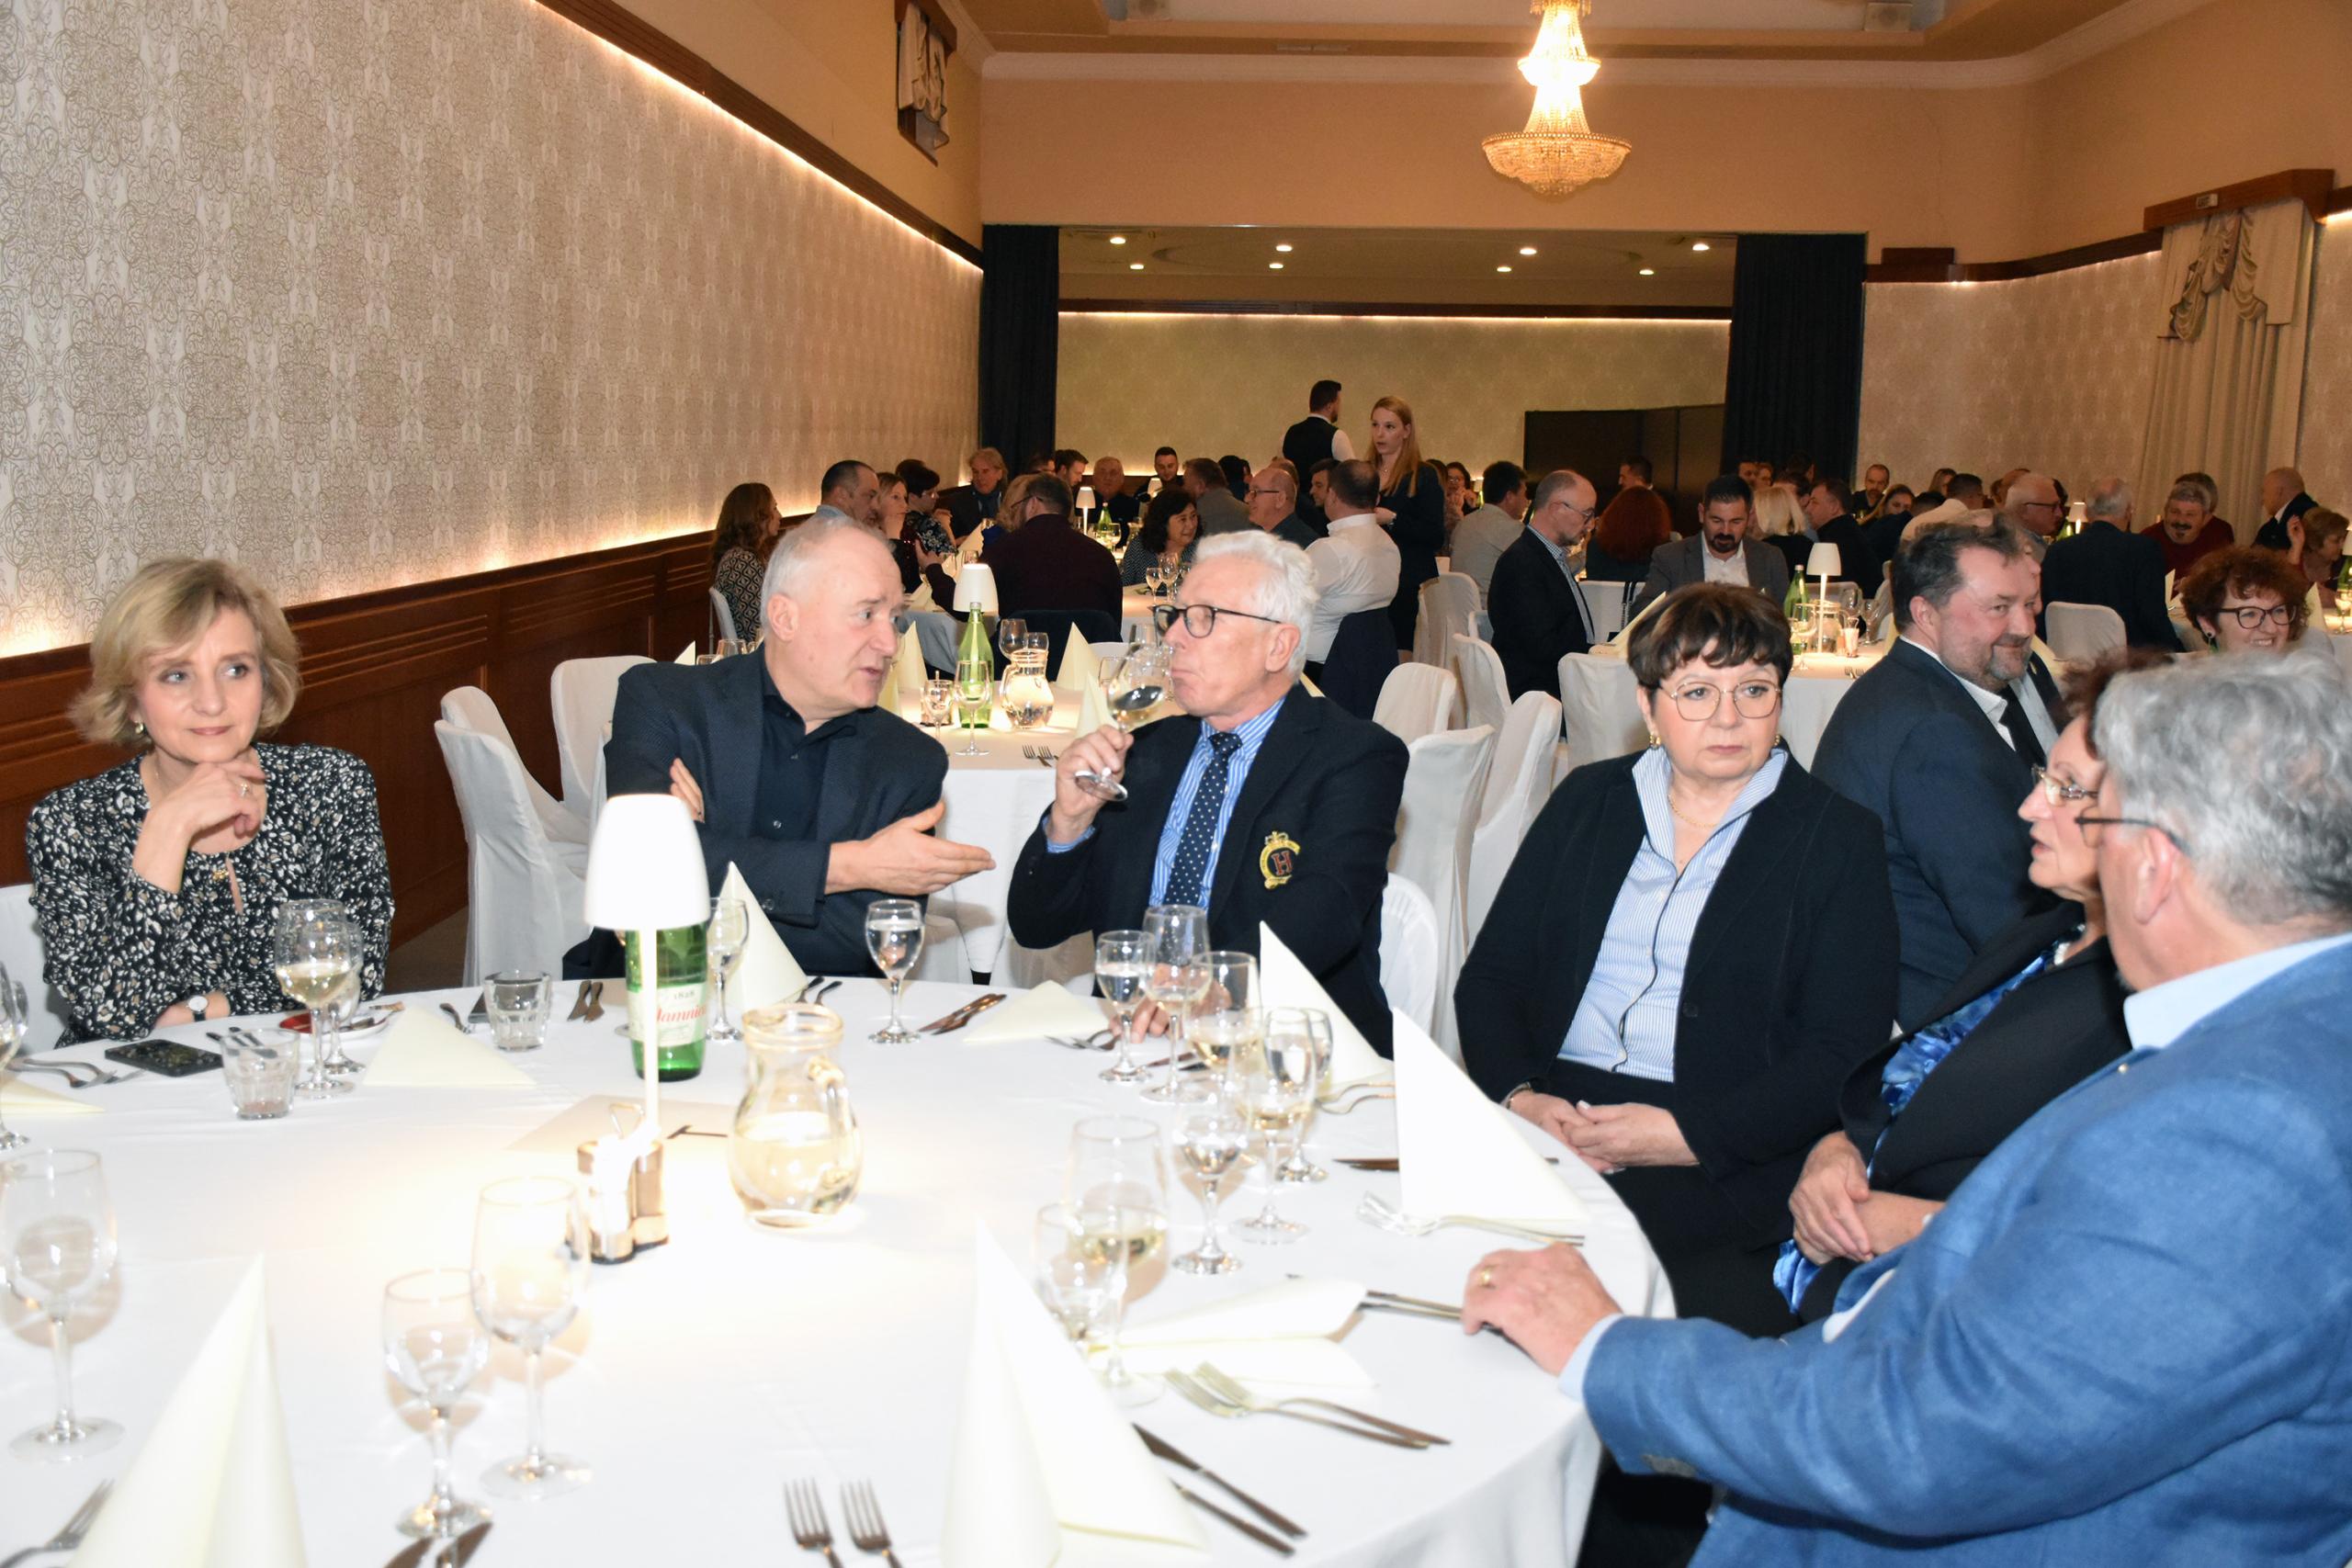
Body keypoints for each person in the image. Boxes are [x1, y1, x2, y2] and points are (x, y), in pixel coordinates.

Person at [1460, 646, 2352, 1568]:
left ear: (2154, 867)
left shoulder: (2244, 1130)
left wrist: (1604, 1347)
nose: (2030, 810)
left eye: (2084, 802)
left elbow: (1916, 1440)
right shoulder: (2280, 1034)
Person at [1458, 583, 1895, 1335]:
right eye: (1697, 692)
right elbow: (1492, 978)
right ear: (1649, 704)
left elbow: (1841, 1052)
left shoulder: (1836, 838)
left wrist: (1688, 1135)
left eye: (1754, 689)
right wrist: (1523, 1100)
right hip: (1554, 1121)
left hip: (1723, 1149)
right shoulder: (1588, 801)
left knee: (1621, 1328)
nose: (1728, 717)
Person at [1778, 649, 2154, 1323]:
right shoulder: (2049, 928)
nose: (2030, 806)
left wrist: (1907, 1223)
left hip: (1939, 1305)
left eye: (2067, 788)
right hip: (1841, 1249)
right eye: (2044, 776)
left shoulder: (2148, 1002)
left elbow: (2104, 1239)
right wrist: (1835, 1150)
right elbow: (1915, 1073)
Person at [1009, 531, 1408, 1053]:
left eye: (1204, 618)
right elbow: (1036, 927)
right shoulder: (1146, 752)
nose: (1173, 636)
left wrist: (1209, 985)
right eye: (1176, 616)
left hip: (1285, 1048)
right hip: (1134, 1042)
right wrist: (1069, 824)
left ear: (1278, 646)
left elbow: (1326, 909)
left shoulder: (1354, 757)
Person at [600, 518, 992, 975]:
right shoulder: (664, 702)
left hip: (817, 1011)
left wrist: (696, 856)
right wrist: (848, 867)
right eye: (866, 615)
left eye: (894, 619)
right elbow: (641, 873)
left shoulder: (908, 760)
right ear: (786, 618)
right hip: (652, 996)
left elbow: (861, 947)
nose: (890, 643)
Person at [28, 558, 394, 1043]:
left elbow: (355, 975)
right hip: (136, 1081)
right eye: (176, 675)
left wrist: (200, 1011)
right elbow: (114, 1016)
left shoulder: (329, 784)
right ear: (132, 699)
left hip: (299, 1064)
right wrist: (169, 828)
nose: (213, 702)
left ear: (265, 681)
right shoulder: (71, 822)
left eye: (236, 669)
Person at [1814, 517, 2063, 1030]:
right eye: (1999, 608)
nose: (2024, 627)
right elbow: (2005, 921)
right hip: (1948, 1016)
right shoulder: (1935, 731)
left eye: (2028, 606)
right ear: (1926, 614)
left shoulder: (1902, 688)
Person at [1487, 468, 1600, 700]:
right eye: (1586, 515)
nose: (1590, 526)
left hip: (1556, 684)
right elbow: (1542, 647)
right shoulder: (1521, 563)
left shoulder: (1543, 556)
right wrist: (1594, 657)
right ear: (1558, 509)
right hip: (1540, 696)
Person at [2035, 477, 2182, 650]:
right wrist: (2180, 651)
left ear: (2087, 512)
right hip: (2128, 659)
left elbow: (2042, 613)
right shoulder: (2144, 550)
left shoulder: (2057, 551)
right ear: (2128, 512)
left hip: (2066, 655)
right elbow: (2153, 617)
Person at [1634, 475, 1793, 615]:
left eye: (1736, 522)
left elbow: (1787, 616)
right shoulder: (1671, 557)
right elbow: (1642, 611)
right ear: (1702, 514)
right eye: (1717, 521)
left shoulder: (1769, 557)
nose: (1725, 531)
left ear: (1749, 517)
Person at [978, 474, 1121, 622]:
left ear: (1033, 504)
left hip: (1024, 636)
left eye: (1020, 505)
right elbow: (1114, 623)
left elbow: (973, 606)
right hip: (1087, 637)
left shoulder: (1002, 549)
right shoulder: (1102, 556)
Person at [1301, 459, 1402, 665]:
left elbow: (1282, 602)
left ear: (1332, 495)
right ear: (1376, 500)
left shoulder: (1331, 550)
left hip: (1317, 670)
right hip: (1374, 664)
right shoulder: (1390, 546)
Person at [1368, 395, 1445, 652]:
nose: (1380, 434)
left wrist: (1392, 519)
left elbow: (1435, 534)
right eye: (1375, 425)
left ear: (1406, 431)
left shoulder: (1423, 475)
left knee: (1399, 649)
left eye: (1389, 427)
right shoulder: (1365, 472)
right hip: (1371, 574)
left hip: (1407, 579)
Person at [2178, 545, 2312, 654]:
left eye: (2279, 611)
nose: (2271, 629)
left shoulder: (2309, 675)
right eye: (2250, 614)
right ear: (2207, 623)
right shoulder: (2184, 677)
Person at [710, 481, 782, 645]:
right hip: (758, 653)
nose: (780, 516)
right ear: (758, 516)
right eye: (774, 509)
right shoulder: (742, 562)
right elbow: (758, 628)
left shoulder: (744, 556)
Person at [1451, 461, 1527, 607]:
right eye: (1524, 494)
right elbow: (1546, 566)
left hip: (1459, 610)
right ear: (1510, 496)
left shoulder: (1464, 523)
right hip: (1491, 614)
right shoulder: (1511, 528)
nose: (1526, 501)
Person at [1801, 478, 1883, 598]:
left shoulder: (1833, 541)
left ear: (1834, 507)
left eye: (1814, 503)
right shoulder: (1850, 531)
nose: (1808, 509)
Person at [2142, 473, 2233, 578]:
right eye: (2175, 512)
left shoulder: (2216, 543)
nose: (2181, 521)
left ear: (2206, 519)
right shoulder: (2147, 540)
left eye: (2190, 514)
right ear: (2165, 512)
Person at [1582, 485, 1673, 583]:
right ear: (1658, 521)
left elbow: (1593, 584)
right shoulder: (1667, 552)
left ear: (1613, 516)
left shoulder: (1596, 547)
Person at [1120, 485, 1201, 588]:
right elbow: (1122, 588)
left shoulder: (1200, 550)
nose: (1191, 525)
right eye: (1183, 519)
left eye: (1193, 516)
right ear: (1163, 523)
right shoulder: (1139, 548)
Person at [1281, 378, 1355, 479]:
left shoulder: (1287, 435)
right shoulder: (1337, 437)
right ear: (1329, 406)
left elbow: (1281, 472)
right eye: (1338, 403)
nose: (1339, 408)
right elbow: (1352, 476)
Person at [1244, 466, 1319, 551]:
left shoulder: (1304, 546)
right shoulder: (1257, 537)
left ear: (1280, 499)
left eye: (1256, 492)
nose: (1247, 499)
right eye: (1249, 492)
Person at [941, 446, 1008, 541]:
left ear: (999, 474)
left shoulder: (1010, 499)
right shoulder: (958, 502)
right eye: (975, 472)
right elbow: (949, 541)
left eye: (985, 471)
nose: (979, 478)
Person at [1998, 470, 2062, 562]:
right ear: (2024, 510)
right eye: (2053, 507)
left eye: (2059, 506)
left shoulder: (2033, 540)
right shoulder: (2013, 546)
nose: (2059, 514)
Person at [2254, 464, 2316, 553]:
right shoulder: (2314, 514)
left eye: (2264, 491)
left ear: (2278, 491)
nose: (2262, 499)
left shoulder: (2295, 522)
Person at [1182, 457, 1250, 537]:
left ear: (1200, 486)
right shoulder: (1249, 513)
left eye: (1185, 483)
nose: (1183, 488)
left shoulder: (1190, 519)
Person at [2295, 506, 2346, 613]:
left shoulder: (2346, 564)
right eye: (2336, 541)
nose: (2342, 546)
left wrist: (2335, 599)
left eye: (2343, 539)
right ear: (2314, 542)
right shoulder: (2293, 561)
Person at [811, 458, 879, 531]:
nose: (876, 507)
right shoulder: (846, 534)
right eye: (870, 496)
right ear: (841, 496)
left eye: (878, 499)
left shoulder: (808, 528)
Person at [1087, 455, 1141, 539]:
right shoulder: (1082, 503)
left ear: (1122, 479)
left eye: (1113, 473)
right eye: (1102, 473)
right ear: (1093, 477)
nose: (1107, 478)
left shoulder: (1134, 506)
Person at [1860, 483, 1913, 569]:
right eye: (1896, 505)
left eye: (1906, 507)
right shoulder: (1868, 528)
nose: (1901, 511)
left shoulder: (1910, 534)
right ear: (1884, 506)